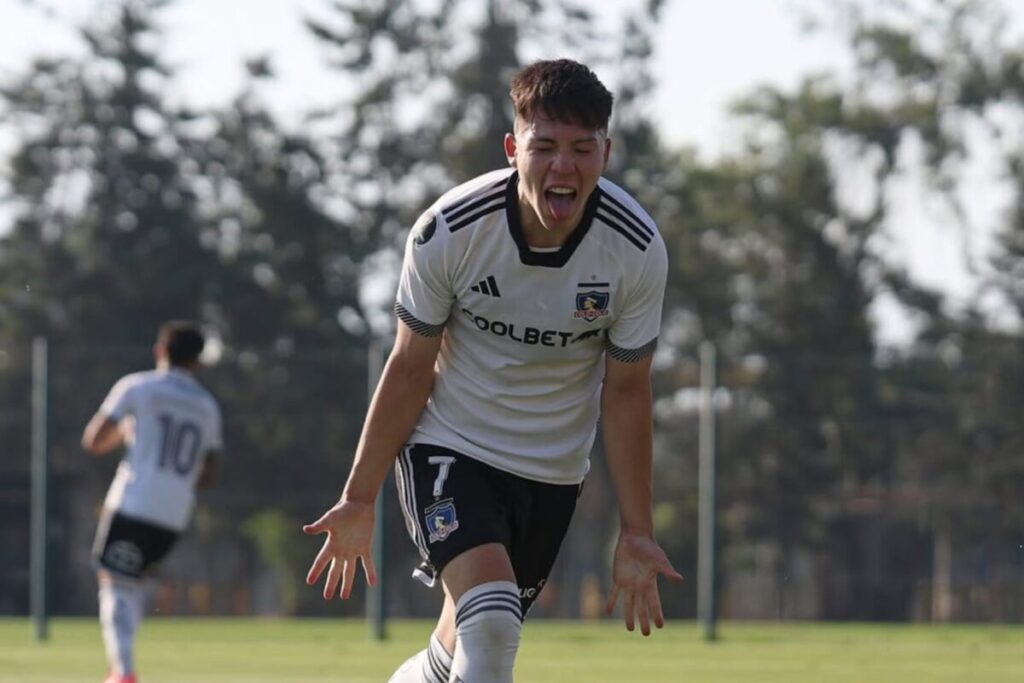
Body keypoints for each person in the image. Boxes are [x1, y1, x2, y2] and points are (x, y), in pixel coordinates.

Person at [303, 58, 681, 683]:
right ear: (513, 148)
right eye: (546, 147)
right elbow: (408, 368)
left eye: (583, 149)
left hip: (552, 473)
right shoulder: (449, 232)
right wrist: (358, 496)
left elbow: (628, 394)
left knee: (460, 646)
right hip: (452, 447)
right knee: (494, 621)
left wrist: (637, 530)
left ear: (606, 154)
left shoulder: (635, 249)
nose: (564, 167)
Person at [82, 321, 223, 683]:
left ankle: (123, 671)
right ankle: (120, 664)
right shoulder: (207, 406)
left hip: (133, 501)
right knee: (135, 584)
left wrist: (129, 434)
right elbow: (207, 474)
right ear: (198, 362)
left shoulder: (137, 386)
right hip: (174, 512)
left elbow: (94, 440)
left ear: (160, 350)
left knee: (114, 583)